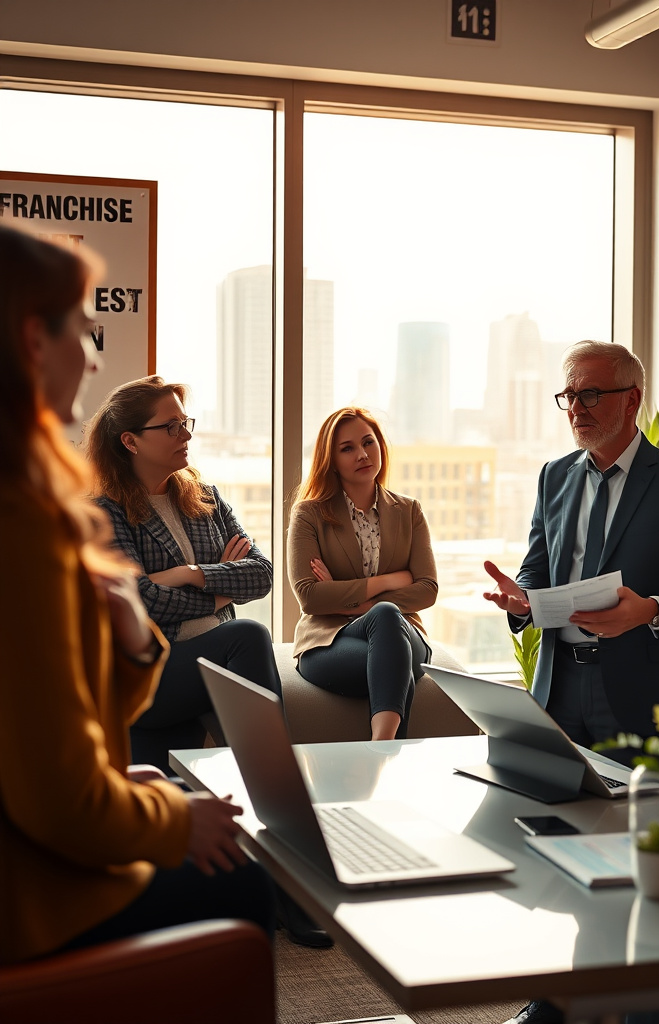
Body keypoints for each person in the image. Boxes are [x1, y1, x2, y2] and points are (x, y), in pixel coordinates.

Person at [0, 224, 274, 966]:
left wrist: (133, 632)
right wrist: (172, 820)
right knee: (245, 878)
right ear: (31, 340)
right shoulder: (30, 524)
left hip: (43, 838)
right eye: (83, 334)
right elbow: (61, 803)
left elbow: (260, 575)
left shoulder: (48, 510)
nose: (91, 360)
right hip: (28, 896)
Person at [484, 340, 659, 1024]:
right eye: (568, 395)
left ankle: (645, 1015)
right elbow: (539, 569)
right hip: (560, 689)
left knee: (639, 869)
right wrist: (521, 599)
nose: (576, 408)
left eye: (590, 394)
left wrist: (651, 611)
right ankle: (559, 1001)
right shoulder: (553, 476)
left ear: (632, 398)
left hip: (645, 695)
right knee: (563, 859)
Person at [86, 376, 283, 777]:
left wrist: (189, 573)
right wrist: (219, 594)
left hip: (200, 667)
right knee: (247, 635)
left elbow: (261, 576)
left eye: (185, 422)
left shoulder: (207, 499)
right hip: (149, 673)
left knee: (173, 797)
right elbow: (141, 601)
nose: (185, 435)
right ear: (131, 441)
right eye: (170, 426)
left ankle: (271, 791)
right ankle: (278, 775)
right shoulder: (105, 512)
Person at [287, 407, 437, 741]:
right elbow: (310, 597)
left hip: (403, 633)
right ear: (331, 459)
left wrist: (350, 599)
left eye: (368, 442)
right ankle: (386, 752)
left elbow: (427, 589)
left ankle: (378, 747)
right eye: (347, 448)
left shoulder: (409, 510)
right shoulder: (309, 513)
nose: (362, 454)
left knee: (386, 618)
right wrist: (388, 581)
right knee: (391, 653)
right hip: (328, 639)